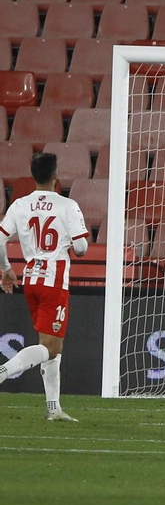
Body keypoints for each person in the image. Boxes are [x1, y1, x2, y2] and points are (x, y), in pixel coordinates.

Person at [0, 152, 89, 421]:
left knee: (51, 346)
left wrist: (5, 269)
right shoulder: (67, 205)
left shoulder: (19, 204)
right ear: (55, 176)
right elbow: (83, 247)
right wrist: (72, 244)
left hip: (31, 279)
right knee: (51, 347)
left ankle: (53, 408)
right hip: (54, 280)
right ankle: (4, 370)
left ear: (34, 177)